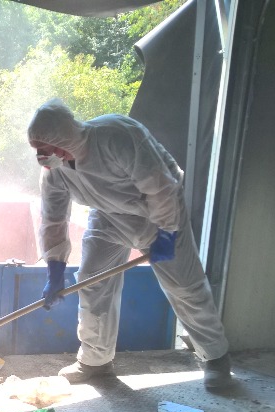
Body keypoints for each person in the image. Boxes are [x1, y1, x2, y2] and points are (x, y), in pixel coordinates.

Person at [27, 99, 232, 390]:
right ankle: (95, 361)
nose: (41, 157)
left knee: (184, 286)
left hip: (156, 214)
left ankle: (216, 357)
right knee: (92, 282)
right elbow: (53, 219)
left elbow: (161, 188)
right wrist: (55, 268)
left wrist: (167, 233)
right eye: (37, 150)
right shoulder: (55, 171)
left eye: (45, 148)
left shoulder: (117, 136)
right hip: (107, 216)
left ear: (63, 140)